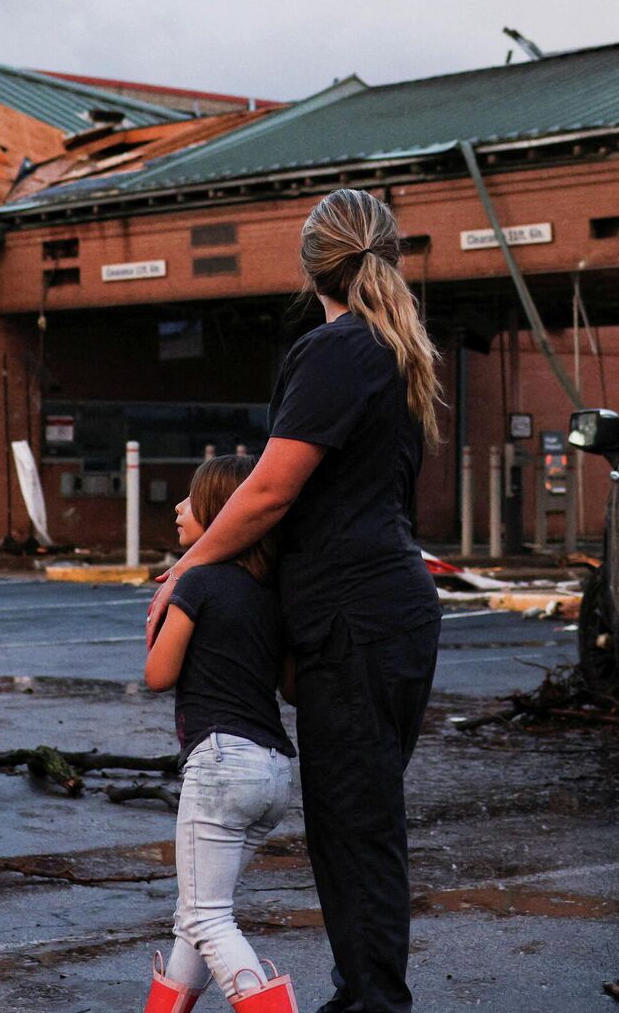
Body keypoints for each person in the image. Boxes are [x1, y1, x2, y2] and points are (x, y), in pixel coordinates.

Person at [147, 188, 444, 1013]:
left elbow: (272, 490)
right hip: (385, 613)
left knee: (353, 830)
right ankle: (370, 999)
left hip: (358, 619)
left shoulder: (339, 349)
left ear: (312, 265)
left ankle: (371, 1006)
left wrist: (186, 570)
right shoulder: (389, 349)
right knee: (362, 825)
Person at [143, 454, 299, 1013]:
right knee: (197, 918)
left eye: (190, 499)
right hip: (274, 772)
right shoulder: (273, 592)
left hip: (219, 765)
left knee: (208, 917)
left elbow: (158, 676)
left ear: (222, 512)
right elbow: (293, 689)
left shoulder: (199, 581)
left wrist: (158, 618)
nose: (178, 508)